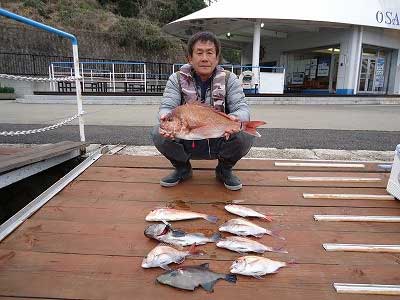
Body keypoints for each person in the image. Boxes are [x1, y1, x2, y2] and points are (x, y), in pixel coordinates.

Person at [151, 31, 254, 191]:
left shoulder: (229, 78)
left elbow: (242, 108)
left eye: (209, 52)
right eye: (199, 53)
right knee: (158, 132)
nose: (204, 58)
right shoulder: (176, 79)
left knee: (245, 132)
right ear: (190, 58)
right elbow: (167, 106)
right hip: (187, 138)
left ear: (217, 57)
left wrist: (234, 119)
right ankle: (182, 169)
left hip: (220, 138)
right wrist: (165, 117)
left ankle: (224, 170)